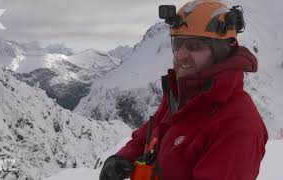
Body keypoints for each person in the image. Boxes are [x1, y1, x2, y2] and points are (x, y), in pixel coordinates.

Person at [99, 0, 268, 180]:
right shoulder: (183, 94)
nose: (180, 55)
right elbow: (156, 128)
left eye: (195, 46)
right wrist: (124, 156)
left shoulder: (237, 126)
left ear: (221, 50)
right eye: (177, 43)